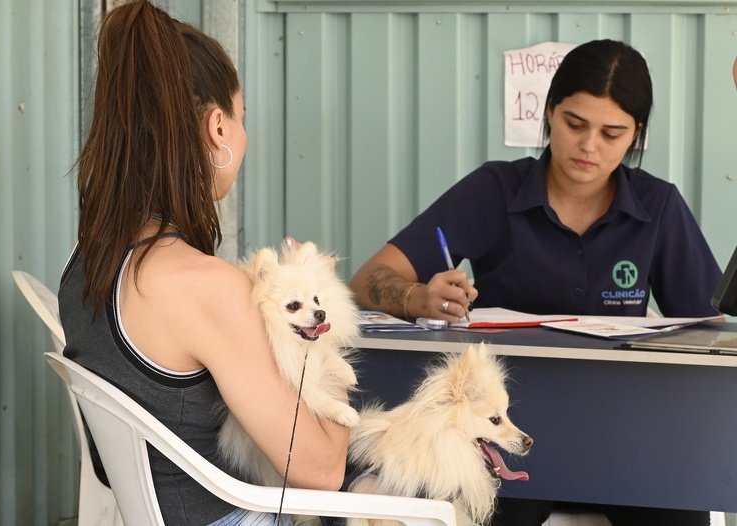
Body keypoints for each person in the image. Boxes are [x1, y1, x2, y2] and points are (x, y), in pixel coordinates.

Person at [349, 39, 720, 525]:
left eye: (612, 133)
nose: (589, 146)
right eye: (574, 124)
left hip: (629, 433)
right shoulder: (494, 190)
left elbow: (710, 331)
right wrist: (419, 296)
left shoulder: (660, 208)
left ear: (637, 134)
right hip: (507, 431)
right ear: (549, 113)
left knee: (680, 512)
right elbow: (366, 280)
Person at [58, 3, 350, 526]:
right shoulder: (205, 285)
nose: (242, 135)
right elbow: (322, 468)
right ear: (218, 126)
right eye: (242, 118)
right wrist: (323, 323)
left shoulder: (84, 262)